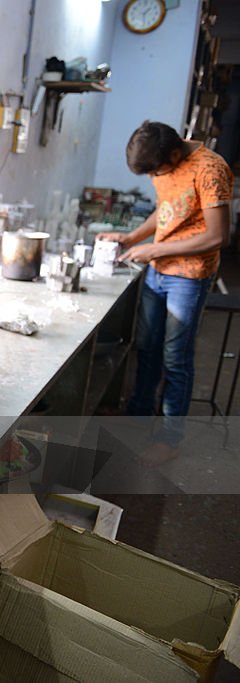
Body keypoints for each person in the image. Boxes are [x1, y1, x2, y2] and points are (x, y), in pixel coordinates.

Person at [97, 121, 232, 464]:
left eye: (156, 170)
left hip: (188, 276)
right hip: (159, 272)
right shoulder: (162, 161)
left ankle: (170, 439)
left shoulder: (210, 168)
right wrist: (131, 239)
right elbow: (167, 209)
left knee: (176, 358)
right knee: (147, 348)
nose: (155, 177)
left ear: (175, 153)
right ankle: (138, 417)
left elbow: (217, 236)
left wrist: (154, 251)